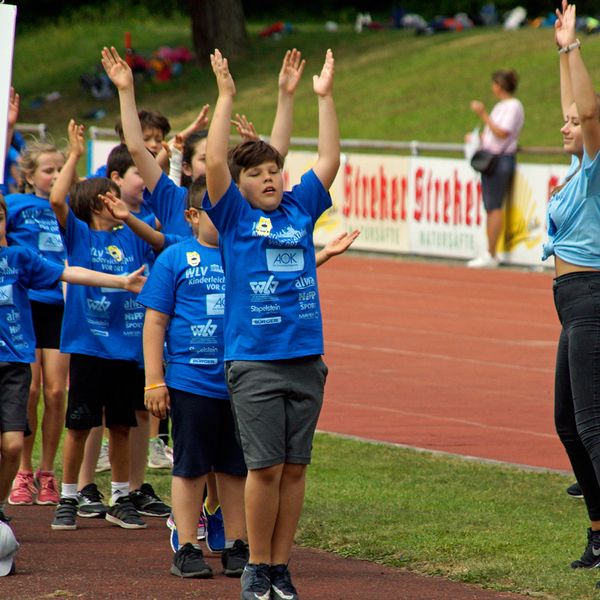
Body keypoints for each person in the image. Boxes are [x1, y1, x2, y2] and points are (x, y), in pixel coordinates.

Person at [204, 48, 339, 600]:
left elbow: (329, 158)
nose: (269, 178)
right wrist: (226, 96)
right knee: (263, 468)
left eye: (274, 170)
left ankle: (281, 567)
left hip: (306, 358)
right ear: (241, 185)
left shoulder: (300, 209)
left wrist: (323, 99)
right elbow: (215, 162)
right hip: (254, 361)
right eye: (257, 173)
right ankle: (256, 566)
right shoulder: (234, 215)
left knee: (294, 470)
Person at [0, 194, 146, 527]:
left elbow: (71, 274)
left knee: (10, 446)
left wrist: (121, 281)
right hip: (72, 353)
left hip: (13, 363)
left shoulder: (19, 258)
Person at [48, 120, 151, 531]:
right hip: (90, 345)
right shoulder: (80, 236)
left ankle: (122, 496)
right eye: (110, 197)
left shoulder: (133, 235)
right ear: (95, 203)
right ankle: (69, 495)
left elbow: (157, 226)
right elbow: (58, 200)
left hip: (126, 348)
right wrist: (73, 155)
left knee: (122, 424)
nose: (118, 201)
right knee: (79, 424)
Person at [543, 1, 600, 577]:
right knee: (568, 423)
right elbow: (576, 109)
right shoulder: (581, 172)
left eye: (574, 124)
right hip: (574, 305)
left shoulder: (598, 166)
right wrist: (561, 47)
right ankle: (598, 532)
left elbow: (586, 109)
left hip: (592, 299)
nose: (564, 124)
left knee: (592, 424)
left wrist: (575, 48)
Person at [5, 98, 68, 507]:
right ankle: (23, 470)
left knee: (57, 390)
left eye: (61, 169)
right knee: (28, 391)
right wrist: (8, 127)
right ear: (28, 175)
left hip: (61, 305)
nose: (55, 176)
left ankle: (48, 471)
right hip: (25, 304)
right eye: (49, 170)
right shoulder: (13, 206)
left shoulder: (67, 209)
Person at [467, 69, 524, 268]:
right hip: (492, 157)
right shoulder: (501, 106)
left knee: (494, 207)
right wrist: (476, 138)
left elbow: (502, 133)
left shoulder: (513, 106)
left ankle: (491, 253)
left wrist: (483, 114)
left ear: (499, 86)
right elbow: (492, 134)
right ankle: (489, 251)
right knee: (490, 207)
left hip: (500, 159)